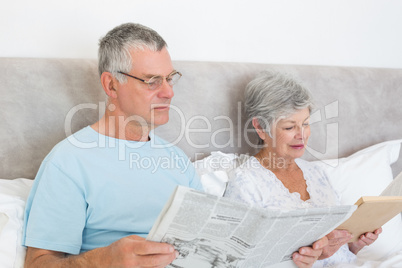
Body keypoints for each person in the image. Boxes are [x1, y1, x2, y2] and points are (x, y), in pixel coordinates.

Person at [22, 23, 203, 267]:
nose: (169, 92)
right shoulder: (68, 162)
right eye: (152, 81)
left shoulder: (179, 160)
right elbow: (38, 263)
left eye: (170, 79)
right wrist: (102, 260)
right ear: (111, 85)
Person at [224, 71, 382, 268]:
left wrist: (353, 244)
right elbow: (237, 261)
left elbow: (340, 252)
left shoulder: (317, 174)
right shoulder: (246, 183)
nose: (302, 135)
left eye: (305, 124)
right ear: (261, 128)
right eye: (290, 127)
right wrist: (312, 255)